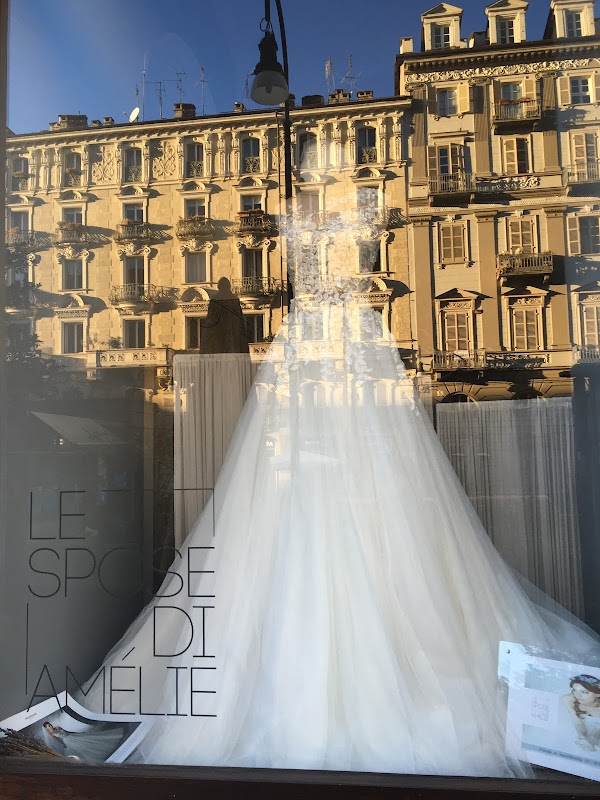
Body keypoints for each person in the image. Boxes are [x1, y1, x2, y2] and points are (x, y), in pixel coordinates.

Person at [82, 211, 600, 777]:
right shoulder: (318, 297)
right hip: (318, 393)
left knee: (362, 543)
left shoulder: (345, 298)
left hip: (350, 386)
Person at [562, 675, 600, 752]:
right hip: (577, 729)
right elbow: (577, 721)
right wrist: (581, 737)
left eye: (584, 692)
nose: (578, 696)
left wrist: (591, 739)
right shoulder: (569, 699)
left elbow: (598, 729)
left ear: (598, 694)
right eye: (575, 690)